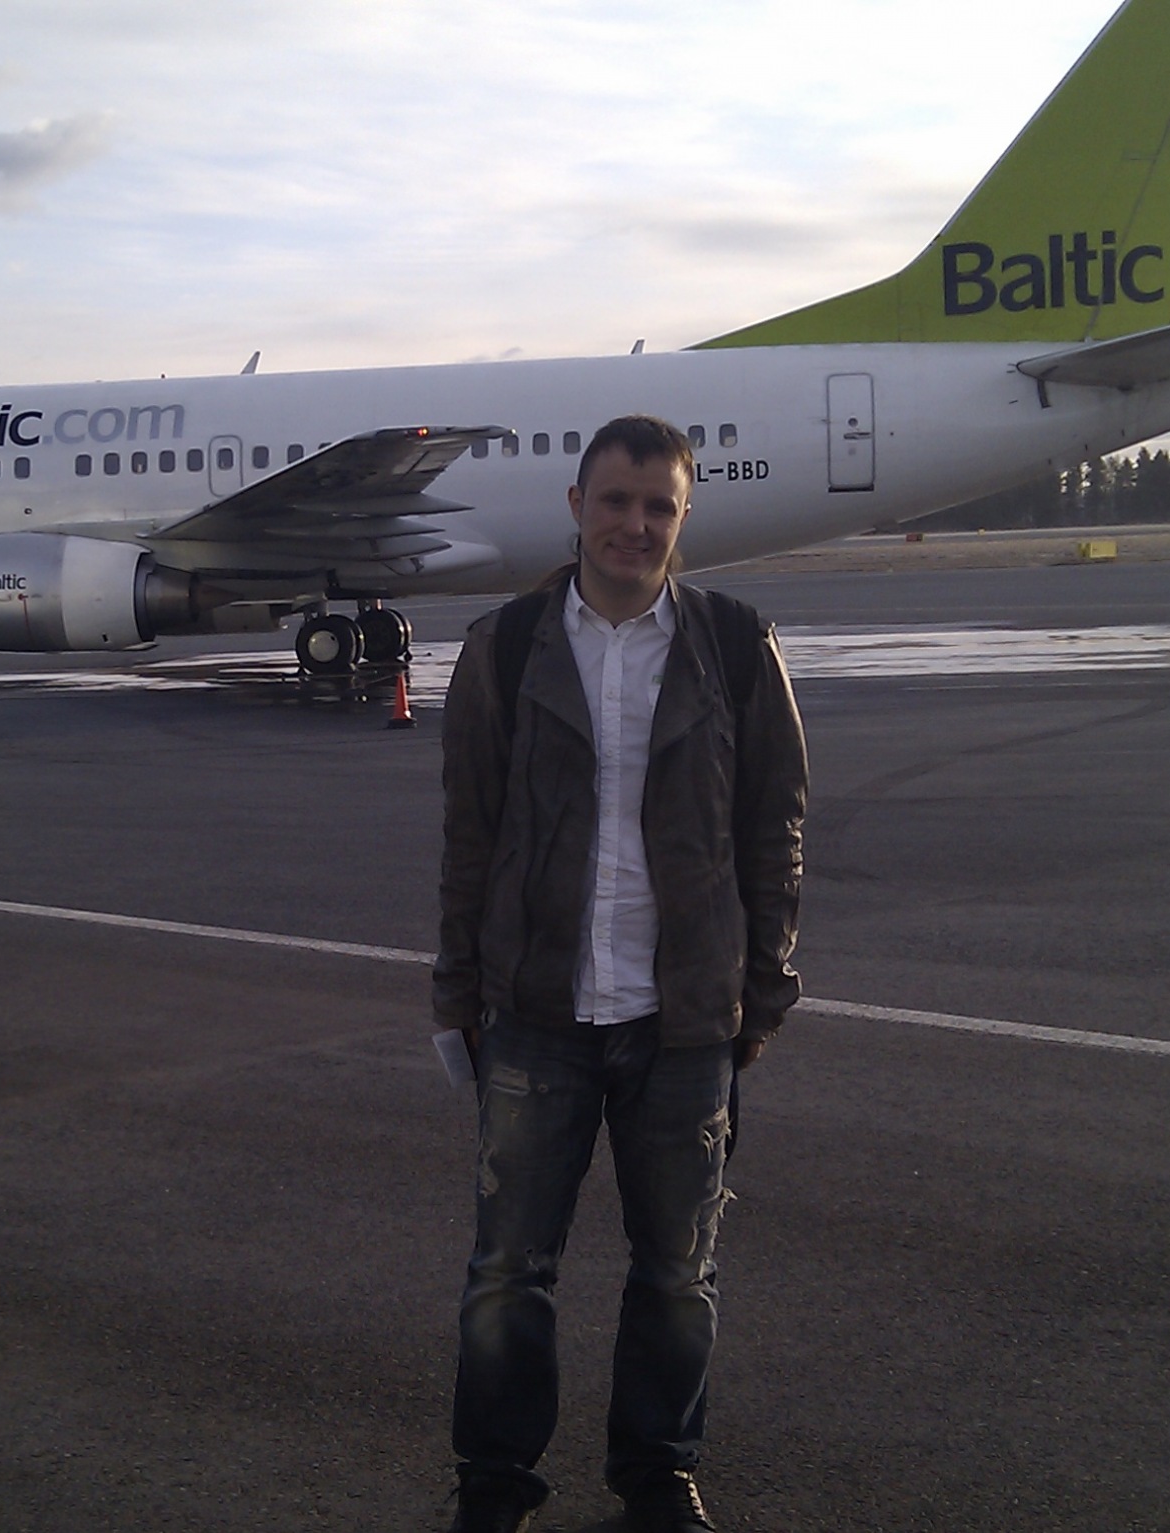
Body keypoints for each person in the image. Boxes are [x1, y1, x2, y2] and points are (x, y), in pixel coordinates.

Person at [433, 416, 808, 1533]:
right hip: (537, 1012)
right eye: (615, 501)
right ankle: (494, 1485)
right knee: (508, 1270)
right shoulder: (504, 648)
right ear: (576, 506)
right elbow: (469, 834)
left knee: (678, 1273)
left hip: (683, 1019)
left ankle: (657, 1476)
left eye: (658, 507)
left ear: (682, 517)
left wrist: (763, 988)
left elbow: (775, 829)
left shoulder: (735, 646)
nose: (634, 525)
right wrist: (456, 993)